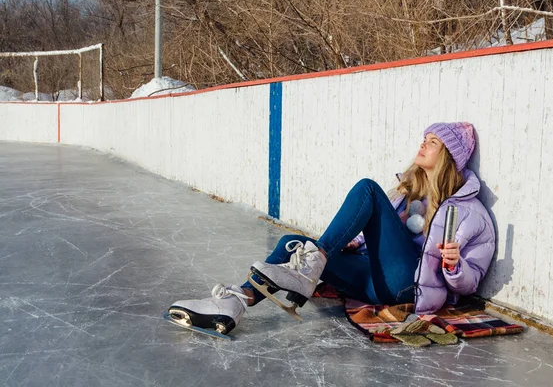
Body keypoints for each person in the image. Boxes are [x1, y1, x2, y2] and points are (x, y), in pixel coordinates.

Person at [167, 122, 496, 335]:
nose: (422, 145)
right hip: (373, 278)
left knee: (367, 189)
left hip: (409, 285)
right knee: (292, 243)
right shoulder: (406, 191)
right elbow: (371, 236)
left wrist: (454, 266)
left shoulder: (471, 213)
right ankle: (237, 301)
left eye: (433, 142)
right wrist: (352, 245)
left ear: (450, 156)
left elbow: (470, 282)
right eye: (423, 139)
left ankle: (311, 266)